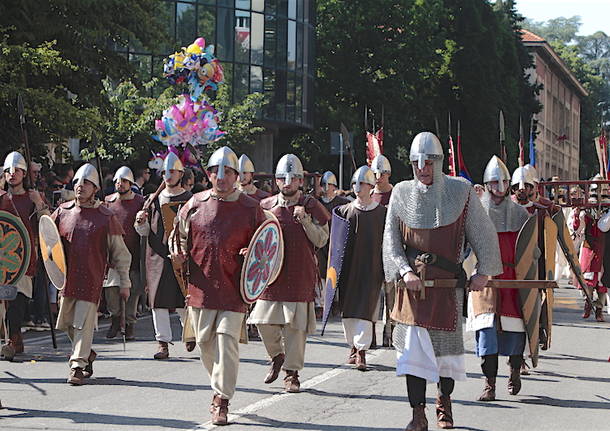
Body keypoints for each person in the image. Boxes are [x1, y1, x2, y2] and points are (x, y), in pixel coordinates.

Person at [383, 132, 502, 430]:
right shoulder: (400, 192)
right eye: (417, 163)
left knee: (446, 354)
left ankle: (443, 402)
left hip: (447, 286)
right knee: (412, 354)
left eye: (429, 162)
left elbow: (483, 234)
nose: (422, 169)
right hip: (412, 290)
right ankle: (418, 413)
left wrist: (483, 272)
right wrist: (404, 271)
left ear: (439, 162)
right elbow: (391, 241)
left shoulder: (459, 191)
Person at [173, 146, 265, 425]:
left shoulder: (251, 208)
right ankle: (220, 386)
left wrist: (254, 253)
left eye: (227, 172)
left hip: (233, 288)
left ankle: (221, 399)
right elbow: (177, 237)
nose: (221, 177)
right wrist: (177, 254)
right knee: (205, 344)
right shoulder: (193, 205)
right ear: (208, 175)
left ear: (237, 175)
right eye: (215, 171)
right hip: (201, 287)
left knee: (226, 342)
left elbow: (267, 244)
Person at [250, 154, 330, 393]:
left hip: (300, 271)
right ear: (276, 180)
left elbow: (322, 239)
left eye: (293, 178)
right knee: (262, 322)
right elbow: (255, 238)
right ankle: (276, 356)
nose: (288, 182)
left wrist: (305, 220)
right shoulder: (265, 207)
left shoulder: (312, 206)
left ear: (299, 180)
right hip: (271, 274)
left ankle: (291, 374)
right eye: (283, 178)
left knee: (295, 328)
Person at [52, 163, 131, 385]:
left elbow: (120, 253)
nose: (80, 186)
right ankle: (88, 354)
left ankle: (77, 366)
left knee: (82, 323)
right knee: (67, 322)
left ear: (95, 188)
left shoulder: (105, 216)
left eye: (86, 183)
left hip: (92, 277)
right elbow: (48, 242)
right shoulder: (62, 212)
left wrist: (124, 281)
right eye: (77, 182)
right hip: (67, 279)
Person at [468, 156, 530, 401]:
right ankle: (489, 383)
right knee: (486, 331)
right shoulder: (477, 213)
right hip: (486, 277)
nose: (499, 187)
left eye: (503, 182)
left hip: (514, 277)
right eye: (494, 182)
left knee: (515, 330)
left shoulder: (520, 213)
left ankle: (515, 369)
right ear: (487, 183)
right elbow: (465, 246)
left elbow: (531, 249)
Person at [135, 152, 193, 359]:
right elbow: (144, 231)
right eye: (165, 172)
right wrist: (140, 221)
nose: (168, 175)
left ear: (180, 173)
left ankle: (190, 333)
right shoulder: (153, 200)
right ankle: (163, 343)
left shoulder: (190, 200)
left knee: (183, 297)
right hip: (157, 254)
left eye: (172, 171)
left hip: (181, 253)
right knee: (158, 299)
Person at [334, 166, 386, 370]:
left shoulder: (382, 213)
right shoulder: (344, 211)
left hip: (371, 267)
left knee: (365, 308)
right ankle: (353, 347)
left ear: (371, 187)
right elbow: (335, 244)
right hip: (347, 269)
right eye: (355, 183)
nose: (357, 187)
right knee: (348, 310)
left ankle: (362, 351)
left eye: (362, 183)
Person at [2, 151, 50, 360]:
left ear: (24, 174)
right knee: (3, 301)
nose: (12, 175)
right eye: (8, 171)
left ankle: (13, 339)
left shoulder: (33, 198)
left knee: (18, 298)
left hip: (24, 257)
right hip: (3, 258)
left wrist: (39, 204)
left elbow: (47, 224)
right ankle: (11, 338)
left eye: (17, 171)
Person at [103, 166, 145, 340]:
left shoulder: (140, 202)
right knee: (111, 291)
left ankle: (129, 324)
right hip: (112, 254)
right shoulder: (107, 202)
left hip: (133, 253)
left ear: (131, 183)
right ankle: (115, 319)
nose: (120, 184)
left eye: (124, 181)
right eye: (118, 181)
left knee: (132, 292)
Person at [317, 171, 351, 317]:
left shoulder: (342, 203)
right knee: (321, 272)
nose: (326, 188)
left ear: (334, 186)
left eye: (329, 185)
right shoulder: (316, 202)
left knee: (336, 271)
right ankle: (322, 304)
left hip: (336, 241)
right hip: (321, 241)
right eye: (324, 185)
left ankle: (336, 301)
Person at [370, 154, 394, 347]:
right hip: (372, 252)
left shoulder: (397, 195)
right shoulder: (368, 196)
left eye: (382, 173)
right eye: (375, 173)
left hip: (392, 251)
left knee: (391, 295)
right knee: (371, 296)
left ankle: (391, 332)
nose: (378, 177)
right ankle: (371, 335)